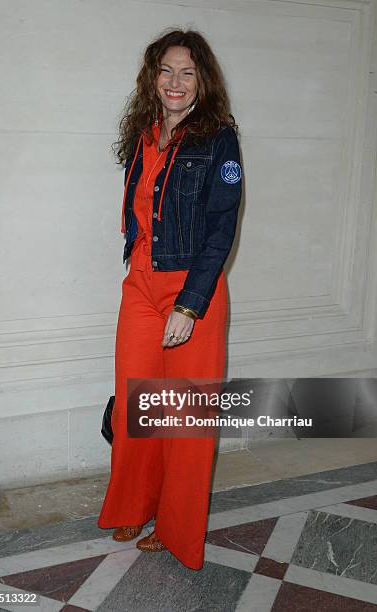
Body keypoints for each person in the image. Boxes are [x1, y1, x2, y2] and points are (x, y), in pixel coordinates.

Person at [97, 28, 243, 571]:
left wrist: (190, 303)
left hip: (191, 291)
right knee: (137, 404)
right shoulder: (144, 132)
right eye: (166, 70)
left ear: (202, 80)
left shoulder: (219, 137)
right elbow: (139, 213)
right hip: (141, 285)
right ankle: (135, 503)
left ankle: (179, 531)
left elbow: (221, 227)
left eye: (187, 71)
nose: (175, 81)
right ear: (151, 77)